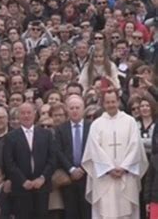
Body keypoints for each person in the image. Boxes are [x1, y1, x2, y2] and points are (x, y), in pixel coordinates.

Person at [82, 89, 149, 218]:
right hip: (105, 178)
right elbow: (94, 149)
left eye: (113, 101)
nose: (111, 105)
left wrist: (124, 167)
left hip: (126, 176)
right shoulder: (97, 124)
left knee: (127, 212)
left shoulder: (129, 122)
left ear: (118, 101)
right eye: (108, 102)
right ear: (103, 103)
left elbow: (135, 146)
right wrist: (109, 168)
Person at [3, 102, 55, 219]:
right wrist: (23, 181)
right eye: (23, 113)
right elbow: (9, 162)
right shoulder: (11, 137)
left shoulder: (46, 134)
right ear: (19, 116)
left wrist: (42, 178)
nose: (26, 116)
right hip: (21, 189)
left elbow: (52, 159)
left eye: (29, 113)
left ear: (35, 114)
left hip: (41, 187)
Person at [56, 95, 91, 219]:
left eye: (77, 107)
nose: (75, 110)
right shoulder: (60, 129)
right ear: (67, 110)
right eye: (72, 108)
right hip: (68, 178)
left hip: (88, 177)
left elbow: (93, 150)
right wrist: (71, 169)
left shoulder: (91, 127)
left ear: (83, 109)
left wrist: (82, 168)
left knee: (87, 213)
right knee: (71, 213)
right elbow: (59, 152)